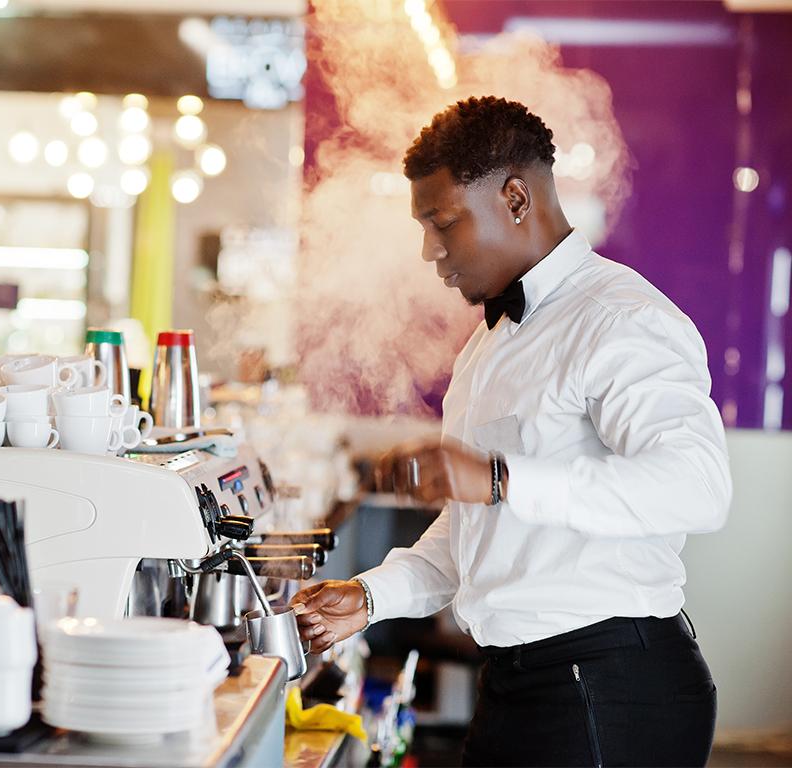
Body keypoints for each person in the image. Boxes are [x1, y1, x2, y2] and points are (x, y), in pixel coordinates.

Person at [290, 95, 731, 767]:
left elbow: (698, 487)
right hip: (517, 684)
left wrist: (498, 476)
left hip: (608, 688)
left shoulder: (622, 318)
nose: (429, 250)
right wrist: (373, 595)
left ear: (517, 199)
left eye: (443, 222)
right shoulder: (491, 344)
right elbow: (480, 529)